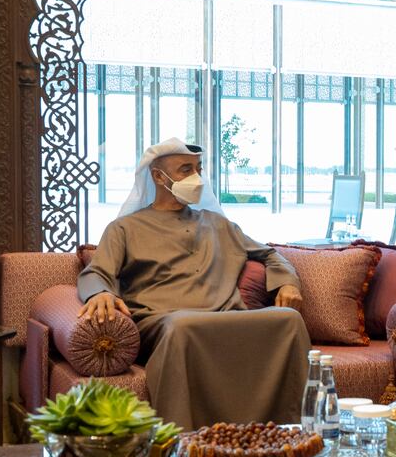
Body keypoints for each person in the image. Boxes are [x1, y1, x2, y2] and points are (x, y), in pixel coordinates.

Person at [76, 138, 312, 430]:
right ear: (158, 176)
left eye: (198, 169)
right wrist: (98, 293)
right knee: (184, 325)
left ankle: (297, 436)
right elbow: (96, 271)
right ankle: (184, 445)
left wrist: (287, 284)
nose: (195, 178)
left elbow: (271, 255)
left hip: (227, 318)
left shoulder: (219, 224)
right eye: (185, 169)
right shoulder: (125, 228)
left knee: (289, 320)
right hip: (163, 321)